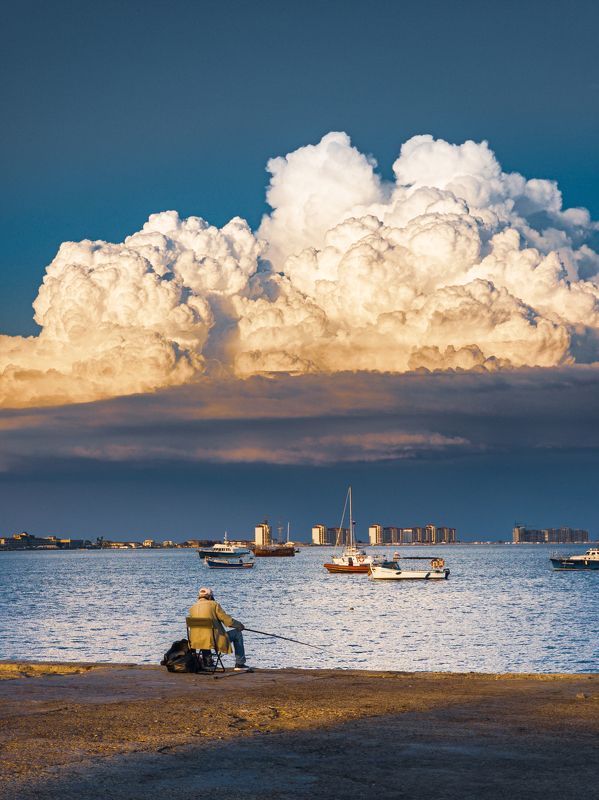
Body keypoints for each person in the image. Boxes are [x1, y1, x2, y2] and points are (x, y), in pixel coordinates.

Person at [188, 586, 251, 671]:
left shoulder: (192, 608)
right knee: (237, 634)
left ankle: (208, 663)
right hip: (213, 640)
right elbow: (228, 621)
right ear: (210, 596)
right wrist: (240, 625)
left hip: (195, 642)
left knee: (204, 635)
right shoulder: (214, 605)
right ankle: (240, 663)